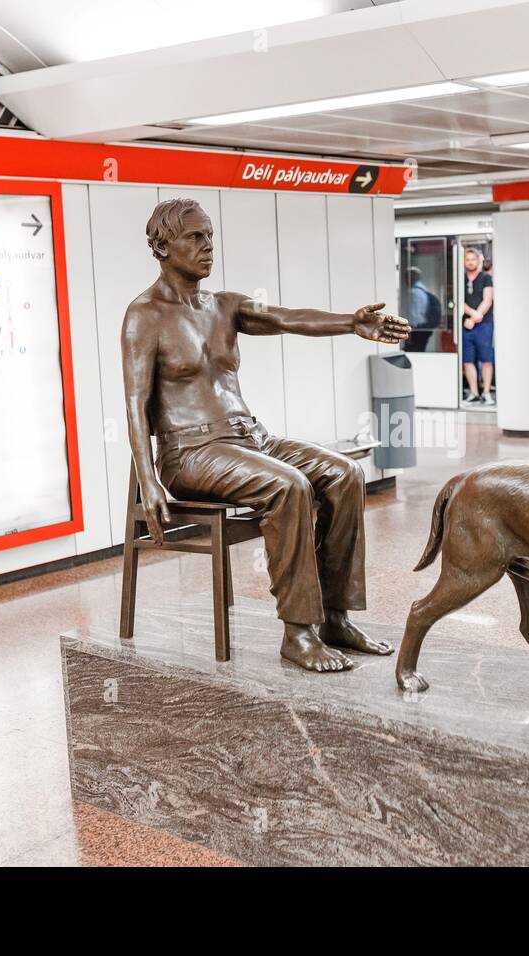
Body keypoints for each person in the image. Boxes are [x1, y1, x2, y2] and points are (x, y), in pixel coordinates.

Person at [120, 199, 410, 673]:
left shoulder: (224, 306)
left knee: (345, 473)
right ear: (162, 246)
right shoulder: (144, 315)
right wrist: (149, 479)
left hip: (251, 438)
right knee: (288, 485)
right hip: (191, 453)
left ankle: (335, 617)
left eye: (210, 234)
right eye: (194, 237)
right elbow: (134, 404)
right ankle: (298, 632)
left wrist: (352, 324)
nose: (207, 245)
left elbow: (287, 318)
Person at [460, 247, 494, 404]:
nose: (470, 262)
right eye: (467, 259)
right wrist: (472, 316)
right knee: (467, 360)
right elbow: (458, 300)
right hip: (466, 326)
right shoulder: (460, 279)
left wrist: (474, 318)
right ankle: (474, 392)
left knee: (486, 359)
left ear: (478, 260)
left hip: (484, 325)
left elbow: (488, 300)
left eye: (473, 259)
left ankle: (486, 392)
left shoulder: (486, 278)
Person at [402, 266, 441, 353]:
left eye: (406, 277)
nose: (405, 281)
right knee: (419, 351)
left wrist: (409, 333)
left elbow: (414, 315)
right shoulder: (423, 290)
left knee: (413, 353)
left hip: (417, 329)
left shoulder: (414, 292)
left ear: (412, 278)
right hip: (424, 329)